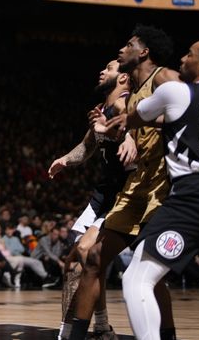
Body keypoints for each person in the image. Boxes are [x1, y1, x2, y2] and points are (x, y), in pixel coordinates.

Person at [68, 26, 179, 340]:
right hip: (136, 185)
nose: (121, 49)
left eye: (129, 44)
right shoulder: (130, 96)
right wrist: (117, 131)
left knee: (151, 277)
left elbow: (188, 107)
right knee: (93, 258)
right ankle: (81, 334)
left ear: (143, 52)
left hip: (163, 185)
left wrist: (138, 124)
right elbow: (130, 123)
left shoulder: (162, 77)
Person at [105, 39, 199, 340]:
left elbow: (136, 115)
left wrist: (120, 118)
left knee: (137, 280)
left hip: (192, 198)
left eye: (189, 54)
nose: (183, 58)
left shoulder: (175, 90)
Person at [49, 59, 136, 339]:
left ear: (123, 78)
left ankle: (81, 330)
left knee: (87, 253)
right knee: (73, 261)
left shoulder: (124, 105)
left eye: (109, 68)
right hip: (102, 194)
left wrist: (128, 137)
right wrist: (65, 160)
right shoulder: (102, 110)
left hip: (124, 193)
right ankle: (95, 328)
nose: (102, 71)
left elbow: (132, 131)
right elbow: (87, 146)